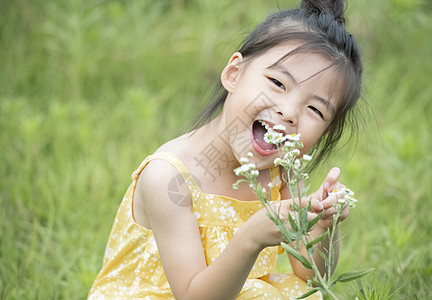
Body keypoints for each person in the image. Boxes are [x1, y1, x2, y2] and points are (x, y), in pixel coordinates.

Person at [88, 0, 362, 299]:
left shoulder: (281, 171)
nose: (289, 111)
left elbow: (312, 275)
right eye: (277, 83)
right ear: (234, 73)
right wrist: (251, 238)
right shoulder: (169, 178)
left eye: (314, 109)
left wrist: (323, 228)